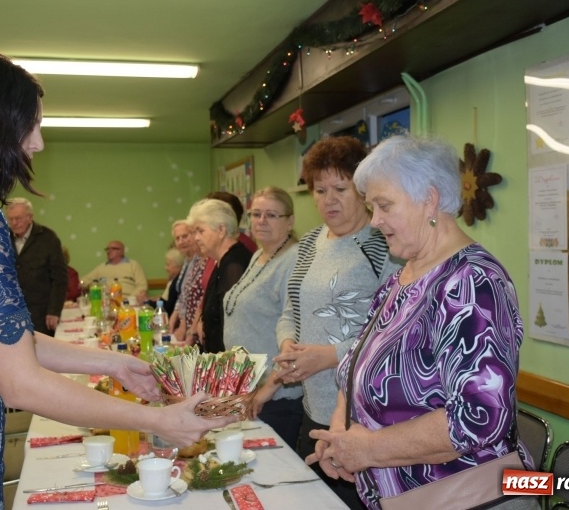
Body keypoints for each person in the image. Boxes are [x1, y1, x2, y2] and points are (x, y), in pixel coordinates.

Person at [0, 50, 233, 509]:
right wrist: (157, 421)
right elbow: (21, 383)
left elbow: (0, 340)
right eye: (31, 125)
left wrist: (110, 363)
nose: (37, 143)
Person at [306, 135, 531, 510]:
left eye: (384, 206)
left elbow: (480, 416)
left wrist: (369, 450)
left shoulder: (472, 281)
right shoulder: (404, 276)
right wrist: (340, 439)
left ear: (429, 199)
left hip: (474, 496)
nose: (375, 221)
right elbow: (356, 366)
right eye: (371, 207)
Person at [273, 136, 399, 508]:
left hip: (363, 417)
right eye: (319, 189)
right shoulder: (311, 241)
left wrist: (329, 356)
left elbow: (390, 332)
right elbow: (289, 312)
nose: (329, 200)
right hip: (314, 407)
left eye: (340, 188)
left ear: (362, 190)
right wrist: (287, 346)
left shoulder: (384, 244)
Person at [224, 187, 303, 448]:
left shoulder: (295, 260)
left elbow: (295, 332)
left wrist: (267, 390)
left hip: (276, 397)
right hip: (247, 389)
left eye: (271, 215)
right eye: (256, 214)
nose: (261, 221)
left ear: (289, 221)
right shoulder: (259, 254)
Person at [187, 198, 252, 353]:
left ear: (221, 230)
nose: (196, 238)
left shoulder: (234, 265)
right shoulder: (222, 261)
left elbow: (233, 324)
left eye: (200, 231)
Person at [6, 197, 68, 336]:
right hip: (11, 313)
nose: (14, 223)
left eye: (18, 218)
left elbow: (60, 278)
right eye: (10, 219)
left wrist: (54, 311)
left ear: (30, 217)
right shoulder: (3, 238)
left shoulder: (48, 238)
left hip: (41, 313)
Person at [169, 220, 205, 343]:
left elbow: (198, 297)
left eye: (185, 236)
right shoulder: (187, 260)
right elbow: (183, 296)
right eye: (177, 238)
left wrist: (185, 328)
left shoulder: (202, 259)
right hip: (188, 327)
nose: (181, 241)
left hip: (196, 329)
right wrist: (172, 322)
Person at [81, 240, 148, 302]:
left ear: (122, 251)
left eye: (113, 249)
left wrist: (129, 299)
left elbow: (142, 286)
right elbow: (84, 281)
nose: (109, 251)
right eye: (107, 249)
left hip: (128, 300)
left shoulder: (133, 264)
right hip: (106, 302)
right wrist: (82, 285)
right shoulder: (102, 267)